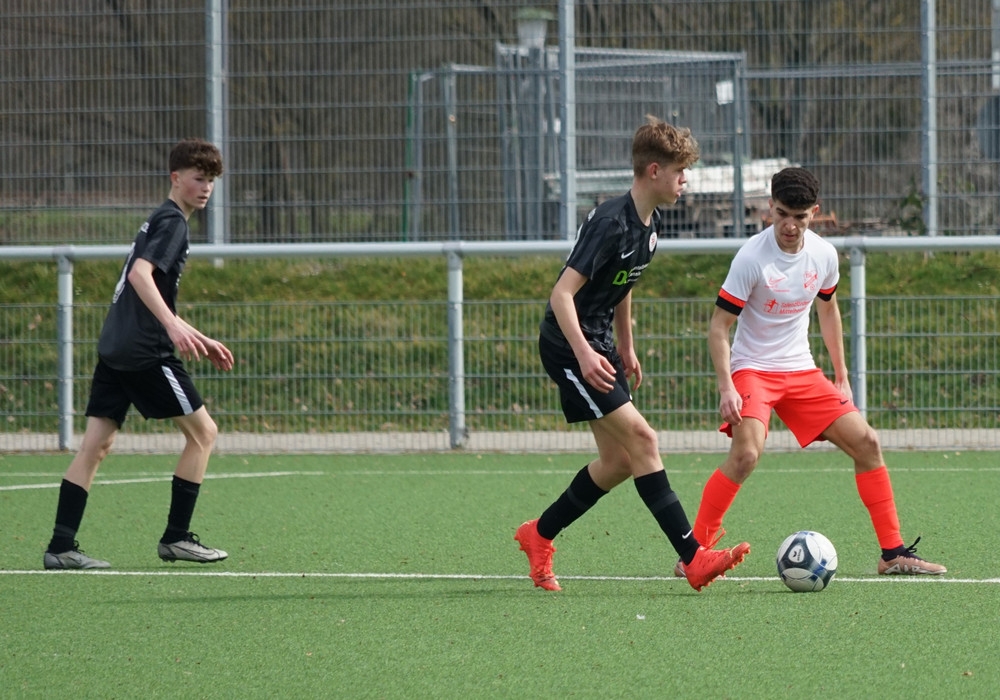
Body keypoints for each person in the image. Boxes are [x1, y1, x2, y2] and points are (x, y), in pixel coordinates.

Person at [514, 115, 751, 592]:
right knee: (644, 439)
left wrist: (625, 344)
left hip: (599, 344)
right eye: (680, 171)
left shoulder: (650, 225)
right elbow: (562, 295)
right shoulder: (610, 222)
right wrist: (584, 354)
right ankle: (693, 558)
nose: (685, 181)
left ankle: (538, 534)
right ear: (654, 171)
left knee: (620, 462)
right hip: (568, 346)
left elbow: (623, 283)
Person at [678, 166, 946, 578]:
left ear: (814, 213)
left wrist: (841, 374)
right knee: (746, 455)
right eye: (782, 214)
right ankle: (694, 555)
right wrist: (726, 386)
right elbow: (718, 327)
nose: (789, 225)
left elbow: (828, 309)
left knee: (868, 443)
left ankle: (893, 554)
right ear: (770, 207)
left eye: (800, 217)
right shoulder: (750, 258)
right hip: (753, 370)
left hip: (801, 371)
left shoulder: (823, 255)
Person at [43, 138, 234, 570]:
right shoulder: (173, 222)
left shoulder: (159, 219)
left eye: (212, 180)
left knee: (96, 445)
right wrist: (172, 327)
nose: (206, 188)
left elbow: (149, 291)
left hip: (116, 344)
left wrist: (195, 334)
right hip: (145, 351)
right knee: (203, 434)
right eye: (199, 178)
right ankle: (176, 538)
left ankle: (60, 547)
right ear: (176, 178)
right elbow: (140, 276)